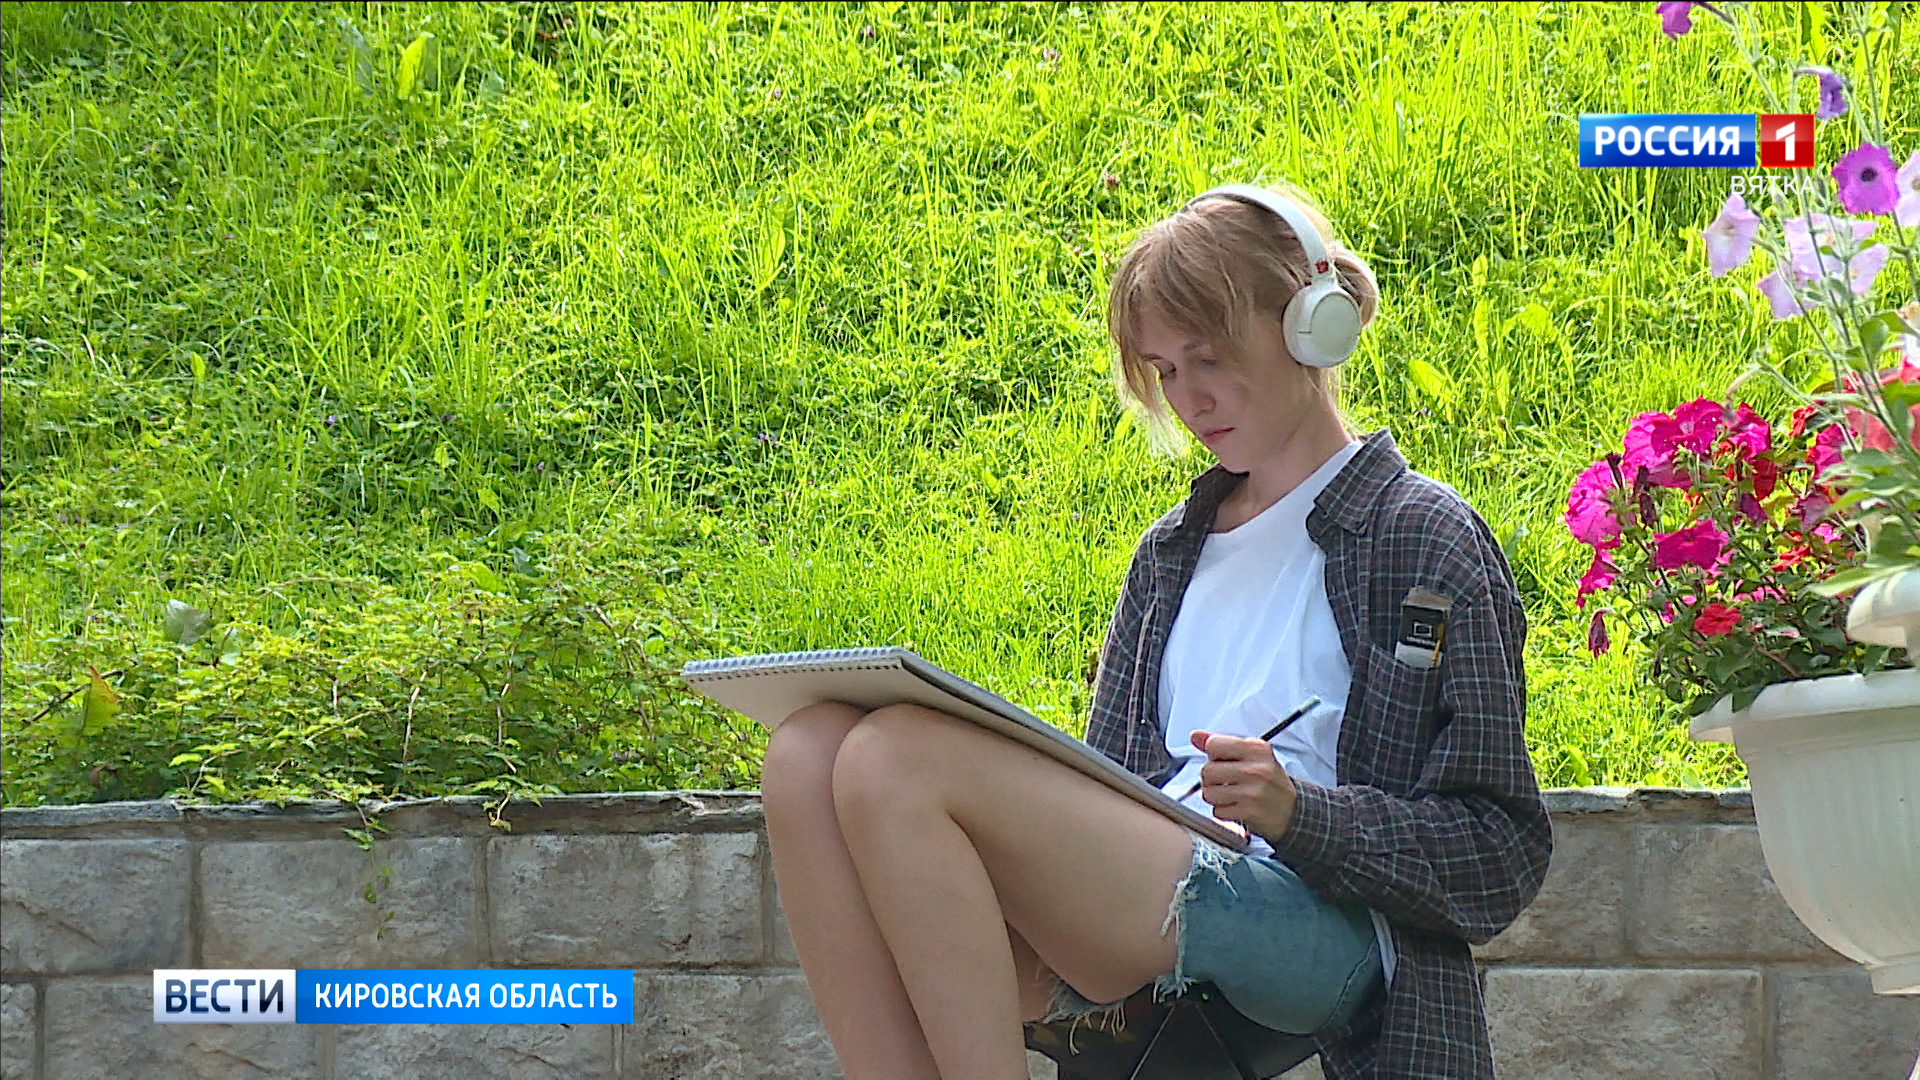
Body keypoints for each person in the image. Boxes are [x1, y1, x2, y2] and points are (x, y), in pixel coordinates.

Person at [760, 183, 1553, 1080]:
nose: (1190, 399)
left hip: (1323, 922)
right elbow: (1111, 784)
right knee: (807, 753)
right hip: (1154, 895)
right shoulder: (1170, 554)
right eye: (1165, 370)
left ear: (1309, 326)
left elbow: (1500, 851)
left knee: (894, 756)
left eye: (1208, 357)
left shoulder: (1421, 534)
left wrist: (1301, 814)